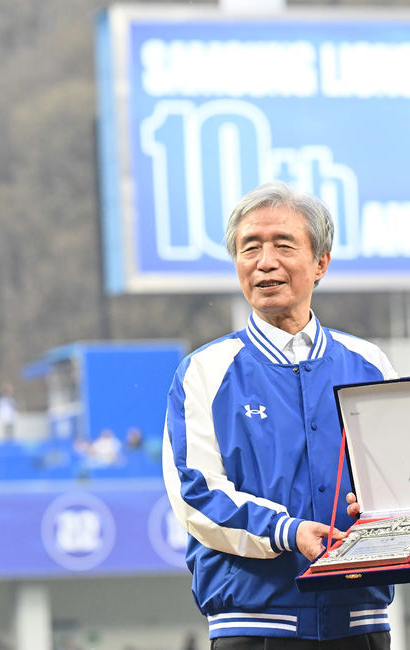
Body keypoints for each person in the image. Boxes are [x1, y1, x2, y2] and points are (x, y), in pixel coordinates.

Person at [163, 181, 397, 649]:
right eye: (250, 248)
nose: (264, 261)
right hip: (254, 626)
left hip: (362, 624)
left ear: (321, 263)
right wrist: (286, 532)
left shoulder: (369, 363)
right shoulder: (205, 371)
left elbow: (404, 478)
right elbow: (195, 494)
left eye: (283, 246)